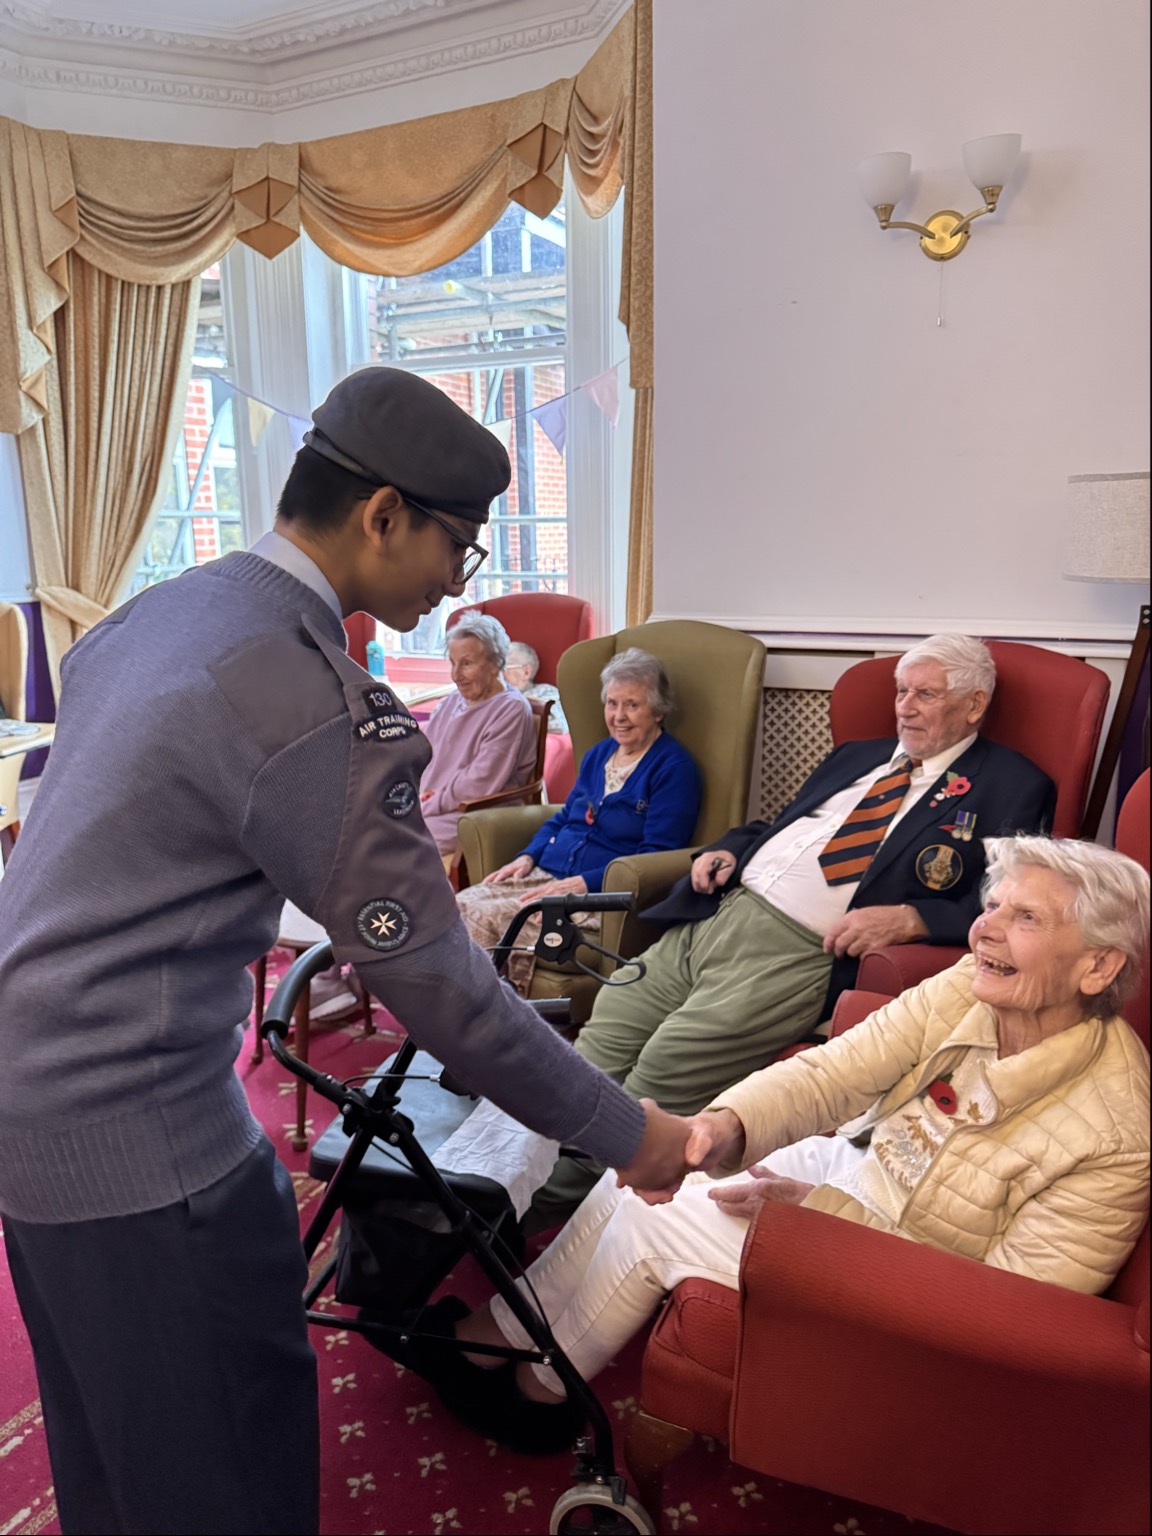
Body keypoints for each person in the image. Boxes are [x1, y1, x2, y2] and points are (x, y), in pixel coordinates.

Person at [0, 367, 695, 1536]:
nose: (453, 583)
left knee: (112, 1442)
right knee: (223, 1464)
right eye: (456, 549)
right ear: (382, 513)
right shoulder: (317, 697)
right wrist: (638, 1134)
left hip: (34, 1099)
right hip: (141, 1126)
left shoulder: (160, 610)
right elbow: (443, 991)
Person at [402, 835, 1150, 1454]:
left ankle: (541, 1394)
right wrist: (716, 1128)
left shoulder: (1116, 1132)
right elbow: (834, 1072)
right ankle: (498, 1334)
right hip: (859, 1168)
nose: (983, 928)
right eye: (990, 906)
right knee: (645, 1173)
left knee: (656, 1222)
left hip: (909, 1266)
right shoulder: (967, 986)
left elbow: (1007, 1315)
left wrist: (815, 1219)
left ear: (1099, 965)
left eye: (1023, 917)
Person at [532, 632, 1057, 1221]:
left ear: (975, 704)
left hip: (796, 950)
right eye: (901, 691)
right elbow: (780, 829)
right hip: (718, 913)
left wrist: (915, 917)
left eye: (926, 695)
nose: (905, 706)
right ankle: (519, 1182)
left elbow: (1013, 905)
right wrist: (730, 850)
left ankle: (561, 1214)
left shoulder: (1011, 784)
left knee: (664, 1068)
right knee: (605, 1035)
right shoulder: (859, 754)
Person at [457, 648, 702, 991]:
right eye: (612, 704)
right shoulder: (599, 754)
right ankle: (468, 1012)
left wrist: (584, 885)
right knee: (461, 903)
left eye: (632, 704)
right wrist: (528, 856)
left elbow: (655, 855)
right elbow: (564, 819)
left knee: (494, 916)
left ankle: (496, 1016)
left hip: (600, 894)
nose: (619, 716)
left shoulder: (674, 769)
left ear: (658, 710)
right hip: (553, 873)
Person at [419, 612, 537, 865]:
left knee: (401, 842)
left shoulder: (511, 709)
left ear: (496, 663)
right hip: (438, 804)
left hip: (478, 810)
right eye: (452, 663)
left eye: (467, 664)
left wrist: (430, 803)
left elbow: (480, 781)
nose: (455, 675)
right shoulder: (453, 701)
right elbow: (424, 750)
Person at [503, 640, 569, 733]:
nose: (496, 673)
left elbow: (559, 726)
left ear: (526, 672)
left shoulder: (545, 692)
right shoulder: (488, 694)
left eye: (503, 668)